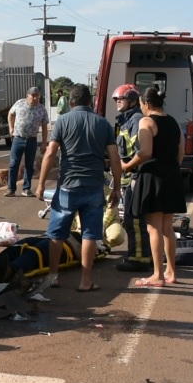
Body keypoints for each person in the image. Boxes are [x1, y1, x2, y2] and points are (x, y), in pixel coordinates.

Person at [36, 84, 122, 292]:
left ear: (71, 102)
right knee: (90, 234)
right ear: (90, 102)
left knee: (56, 233)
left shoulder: (63, 121)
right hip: (94, 187)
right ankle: (85, 281)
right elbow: (114, 158)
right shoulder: (103, 124)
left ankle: (53, 276)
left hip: (67, 187)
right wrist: (117, 187)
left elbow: (50, 154)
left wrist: (40, 184)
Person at [121, 87, 187, 287]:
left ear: (146, 104)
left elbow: (145, 152)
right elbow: (181, 152)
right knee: (167, 228)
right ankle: (171, 272)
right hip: (172, 175)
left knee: (153, 228)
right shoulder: (174, 122)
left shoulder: (146, 121)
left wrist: (127, 165)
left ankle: (157, 275)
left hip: (153, 176)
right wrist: (171, 168)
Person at [112, 83, 153, 273]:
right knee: (131, 219)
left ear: (133, 101)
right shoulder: (125, 121)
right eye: (116, 100)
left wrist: (127, 166)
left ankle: (139, 259)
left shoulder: (136, 120)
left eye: (121, 99)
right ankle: (138, 254)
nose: (118, 102)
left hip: (136, 175)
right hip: (130, 177)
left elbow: (141, 151)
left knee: (134, 219)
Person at [6, 87, 49, 197]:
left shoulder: (41, 109)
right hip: (18, 138)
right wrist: (11, 128)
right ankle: (11, 189)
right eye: (33, 95)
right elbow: (10, 114)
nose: (35, 98)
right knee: (13, 164)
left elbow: (44, 127)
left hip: (32, 140)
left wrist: (44, 142)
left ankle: (26, 188)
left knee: (29, 165)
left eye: (37, 96)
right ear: (27, 96)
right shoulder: (20, 103)